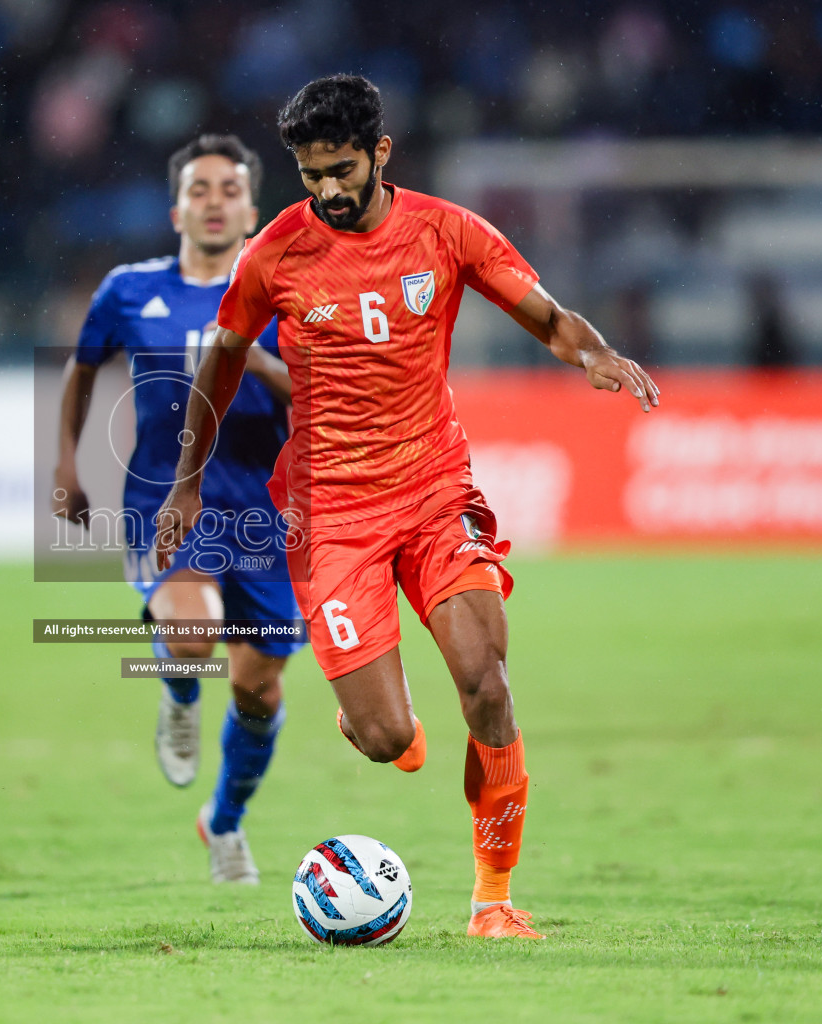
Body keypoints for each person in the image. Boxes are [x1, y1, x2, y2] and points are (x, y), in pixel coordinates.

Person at [155, 76, 660, 937]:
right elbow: (224, 361)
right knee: (389, 740)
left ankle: (493, 901)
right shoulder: (275, 254)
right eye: (311, 174)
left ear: (381, 153)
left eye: (342, 168)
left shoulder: (447, 230)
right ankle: (381, 721)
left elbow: (544, 314)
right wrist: (188, 480)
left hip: (434, 491)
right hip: (331, 518)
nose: (328, 190)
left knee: (489, 687)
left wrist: (595, 354)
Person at [53, 135, 306, 883]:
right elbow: (82, 366)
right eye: (201, 189)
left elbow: (320, 394)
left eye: (230, 189)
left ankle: (223, 823)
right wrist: (67, 462)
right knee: (192, 636)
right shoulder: (129, 290)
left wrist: (253, 360)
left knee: (260, 689)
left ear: (253, 209)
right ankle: (179, 692)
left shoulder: (289, 293)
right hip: (166, 504)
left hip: (264, 512)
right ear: (177, 210)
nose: (216, 200)